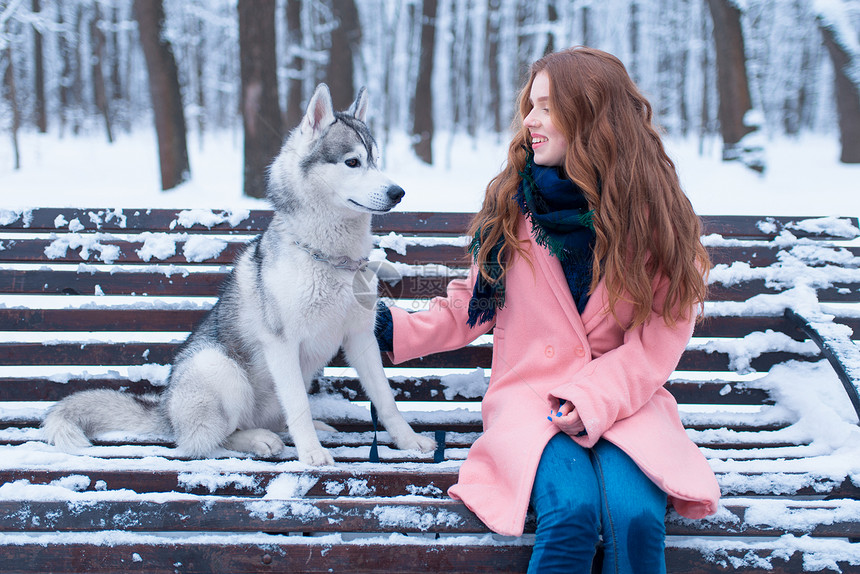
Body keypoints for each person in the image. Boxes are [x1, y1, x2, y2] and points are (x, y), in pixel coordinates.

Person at [376, 46, 720, 573]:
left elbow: (658, 341)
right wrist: (384, 328)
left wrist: (594, 397)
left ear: (590, 116)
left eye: (546, 107)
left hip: (623, 401)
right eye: (529, 106)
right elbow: (472, 306)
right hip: (533, 402)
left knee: (635, 520)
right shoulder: (515, 208)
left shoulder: (653, 217)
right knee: (572, 513)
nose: (529, 121)